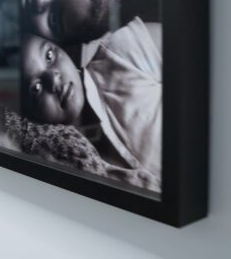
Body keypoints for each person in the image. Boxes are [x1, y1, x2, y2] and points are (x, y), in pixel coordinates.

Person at [20, 16, 162, 188]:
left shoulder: (121, 51)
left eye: (49, 55)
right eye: (36, 88)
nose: (53, 79)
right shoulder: (60, 172)